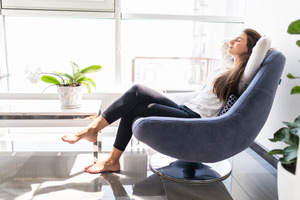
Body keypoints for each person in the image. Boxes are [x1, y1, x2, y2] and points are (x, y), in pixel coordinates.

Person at [62, 28, 271, 173]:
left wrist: (259, 41)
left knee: (136, 90)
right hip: (186, 108)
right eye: (235, 38)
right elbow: (224, 43)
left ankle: (94, 132)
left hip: (197, 117)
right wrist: (240, 40)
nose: (232, 42)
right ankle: (111, 160)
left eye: (239, 41)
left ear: (249, 50)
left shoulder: (243, 77)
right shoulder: (228, 66)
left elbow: (263, 46)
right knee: (134, 106)